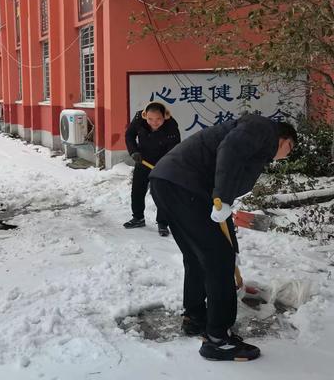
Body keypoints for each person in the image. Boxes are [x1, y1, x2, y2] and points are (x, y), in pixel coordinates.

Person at [149, 114, 297, 361]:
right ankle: (218, 339)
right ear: (285, 140)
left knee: (198, 257)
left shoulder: (255, 138)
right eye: (289, 150)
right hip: (186, 186)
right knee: (218, 261)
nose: (285, 156)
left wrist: (232, 244)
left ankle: (195, 318)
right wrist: (223, 197)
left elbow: (224, 185)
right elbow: (231, 150)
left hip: (170, 183)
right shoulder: (263, 129)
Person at [124, 102, 180, 236]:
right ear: (145, 116)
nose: (154, 122)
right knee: (137, 189)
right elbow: (129, 135)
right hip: (142, 159)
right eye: (150, 119)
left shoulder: (171, 125)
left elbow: (174, 149)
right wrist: (134, 152)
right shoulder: (139, 119)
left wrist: (165, 165)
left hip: (163, 162)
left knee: (162, 193)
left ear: (164, 116)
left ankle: (163, 223)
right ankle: (138, 217)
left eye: (158, 119)